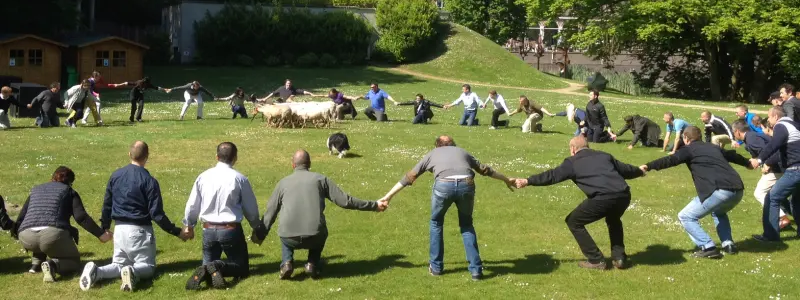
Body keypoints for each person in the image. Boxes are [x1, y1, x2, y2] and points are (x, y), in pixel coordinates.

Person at [379, 135, 515, 280]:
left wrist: (388, 197)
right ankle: (476, 270)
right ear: (453, 144)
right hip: (467, 184)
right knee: (467, 225)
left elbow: (409, 177)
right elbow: (486, 170)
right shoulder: (462, 151)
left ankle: (436, 267)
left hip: (443, 185)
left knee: (436, 223)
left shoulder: (432, 153)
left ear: (437, 145)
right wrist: (507, 180)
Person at [513, 136, 644, 270]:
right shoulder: (604, 155)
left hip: (603, 197)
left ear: (573, 149)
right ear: (587, 146)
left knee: (573, 221)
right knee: (614, 219)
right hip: (623, 194)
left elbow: (552, 175)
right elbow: (625, 170)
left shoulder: (572, 162)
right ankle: (619, 258)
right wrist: (640, 171)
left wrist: (528, 181)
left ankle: (596, 260)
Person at [253, 150, 387, 279]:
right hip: (314, 236)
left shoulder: (282, 183)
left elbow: (271, 212)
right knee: (323, 231)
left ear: (293, 164)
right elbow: (345, 201)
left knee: (284, 233)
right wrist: (374, 205)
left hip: (289, 237)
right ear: (309, 164)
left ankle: (287, 263)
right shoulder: (321, 180)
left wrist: (260, 234)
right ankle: (312, 263)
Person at [80, 141, 190, 292]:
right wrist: (177, 232)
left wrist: (105, 227)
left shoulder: (115, 176)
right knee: (148, 267)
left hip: (119, 229)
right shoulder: (149, 181)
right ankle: (133, 272)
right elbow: (157, 214)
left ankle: (97, 272)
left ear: (129, 154)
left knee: (118, 265)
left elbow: (107, 204)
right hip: (140, 230)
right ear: (147, 156)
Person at [641, 126, 752, 258]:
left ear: (686, 138)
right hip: (737, 189)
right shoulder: (713, 147)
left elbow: (670, 160)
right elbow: (731, 155)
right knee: (719, 212)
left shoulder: (688, 149)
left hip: (718, 190)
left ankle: (708, 247)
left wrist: (648, 166)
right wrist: (747, 163)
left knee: (686, 216)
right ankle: (728, 244)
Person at [183, 142, 264, 290]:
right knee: (242, 269)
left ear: (216, 157)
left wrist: (189, 224)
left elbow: (192, 205)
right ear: (235, 158)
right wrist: (256, 226)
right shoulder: (239, 179)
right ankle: (217, 266)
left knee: (208, 270)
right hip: (230, 230)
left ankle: (208, 269)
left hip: (208, 229)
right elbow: (250, 208)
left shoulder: (203, 177)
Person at [12, 166, 112, 282]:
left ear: (53, 177)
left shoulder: (36, 190)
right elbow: (81, 217)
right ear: (70, 182)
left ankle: (36, 264)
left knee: (39, 230)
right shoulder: (69, 191)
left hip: (26, 236)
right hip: (52, 235)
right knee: (74, 262)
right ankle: (53, 265)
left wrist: (15, 233)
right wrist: (101, 234)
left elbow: (21, 217)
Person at [749, 106, 800, 242]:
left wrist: (759, 160)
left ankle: (771, 236)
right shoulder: (795, 125)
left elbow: (773, 145)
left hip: (795, 170)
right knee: (796, 201)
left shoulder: (781, 125)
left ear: (775, 117)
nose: (769, 121)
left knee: (772, 198)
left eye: (769, 117)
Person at [731, 120, 790, 230]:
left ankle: (782, 218)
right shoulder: (752, 136)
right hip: (781, 166)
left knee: (760, 192)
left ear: (738, 132)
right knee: (778, 195)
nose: (734, 135)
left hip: (776, 168)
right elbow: (762, 153)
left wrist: (767, 163)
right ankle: (786, 216)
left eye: (733, 132)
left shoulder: (752, 139)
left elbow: (773, 151)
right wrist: (755, 161)